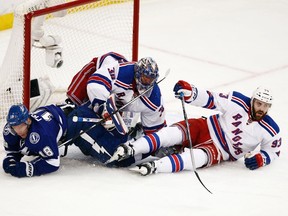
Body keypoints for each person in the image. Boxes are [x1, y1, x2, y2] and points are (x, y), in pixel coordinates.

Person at [108, 81, 282, 175]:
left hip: (221, 151)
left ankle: (155, 167)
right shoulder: (237, 100)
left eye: (266, 106)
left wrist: (262, 159)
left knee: (195, 159)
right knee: (171, 134)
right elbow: (212, 99)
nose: (262, 109)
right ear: (253, 101)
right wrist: (192, 92)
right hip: (206, 127)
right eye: (259, 104)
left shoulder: (271, 129)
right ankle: (131, 148)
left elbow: (273, 151)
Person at [64, 52, 167, 165]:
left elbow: (156, 129)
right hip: (96, 73)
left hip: (116, 97)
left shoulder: (154, 98)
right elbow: (96, 82)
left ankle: (135, 133)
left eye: (151, 80)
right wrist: (102, 108)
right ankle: (67, 111)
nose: (148, 83)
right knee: (75, 105)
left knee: (114, 132)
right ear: (137, 73)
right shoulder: (122, 72)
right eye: (145, 78)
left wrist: (159, 145)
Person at [2, 104, 68, 178]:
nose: (18, 131)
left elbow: (53, 163)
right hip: (45, 111)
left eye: (20, 126)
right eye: (14, 127)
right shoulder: (9, 131)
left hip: (65, 118)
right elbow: (13, 151)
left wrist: (27, 169)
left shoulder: (42, 134)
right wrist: (11, 159)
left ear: (28, 121)